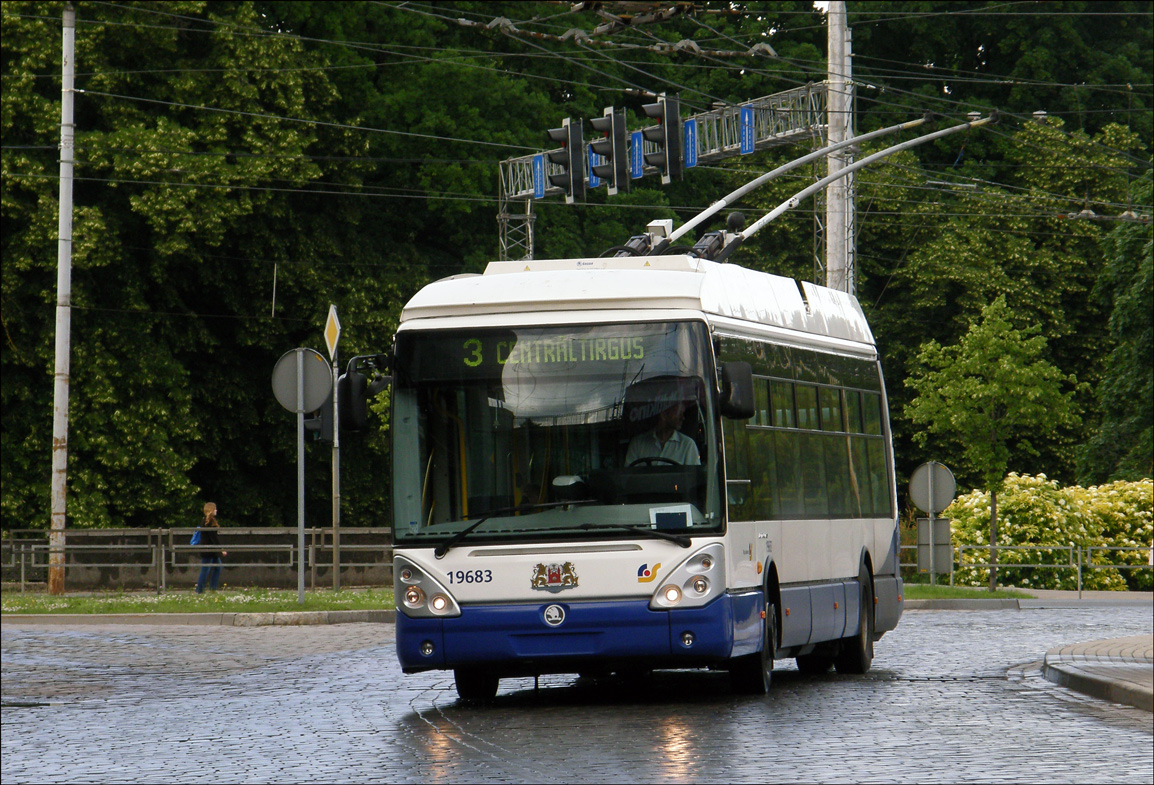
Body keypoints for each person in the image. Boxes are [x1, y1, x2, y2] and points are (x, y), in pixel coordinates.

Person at [625, 400, 701, 466]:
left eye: (682, 413)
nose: (682, 418)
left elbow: (692, 476)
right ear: (664, 415)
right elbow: (630, 475)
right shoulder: (637, 444)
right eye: (678, 413)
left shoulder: (687, 445)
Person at [195, 502, 227, 593]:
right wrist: (221, 549)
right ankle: (200, 590)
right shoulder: (208, 521)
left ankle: (212, 589)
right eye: (215, 509)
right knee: (205, 570)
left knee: (217, 567)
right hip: (208, 550)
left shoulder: (207, 520)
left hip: (211, 550)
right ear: (211, 510)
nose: (216, 510)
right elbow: (213, 538)